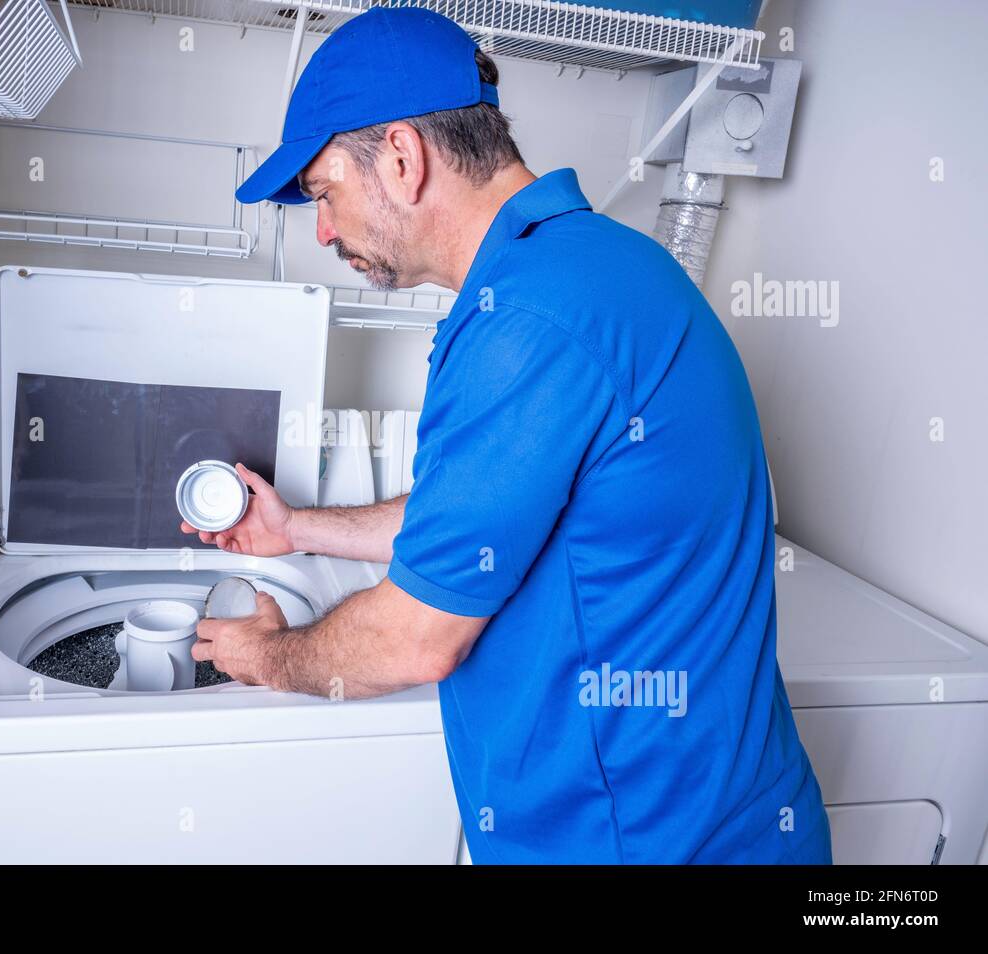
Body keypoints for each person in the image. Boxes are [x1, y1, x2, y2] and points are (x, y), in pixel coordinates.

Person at [184, 6, 831, 864]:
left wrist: (269, 658)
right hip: (719, 819)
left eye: (323, 192)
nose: (327, 229)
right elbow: (486, 518)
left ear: (404, 160)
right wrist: (297, 528)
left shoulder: (529, 316)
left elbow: (415, 637)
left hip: (643, 842)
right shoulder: (597, 263)